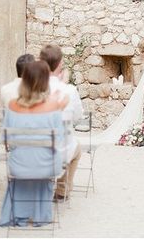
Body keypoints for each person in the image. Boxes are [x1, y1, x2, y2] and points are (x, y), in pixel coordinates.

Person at [0, 60, 67, 227]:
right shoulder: (53, 107)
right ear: (45, 81)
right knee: (46, 159)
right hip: (46, 167)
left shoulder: (12, 105)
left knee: (26, 160)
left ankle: (18, 213)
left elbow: (5, 140)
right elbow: (59, 142)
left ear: (24, 79)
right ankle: (39, 214)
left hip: (18, 166)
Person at [39, 44, 83, 201]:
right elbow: (78, 116)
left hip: (33, 151)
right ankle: (62, 189)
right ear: (60, 65)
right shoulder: (68, 90)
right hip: (59, 150)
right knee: (75, 147)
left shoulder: (32, 87)